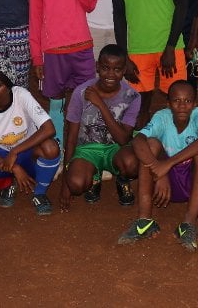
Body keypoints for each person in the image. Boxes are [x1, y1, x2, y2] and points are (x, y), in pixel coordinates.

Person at [118, 80, 198, 252]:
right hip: (165, 186)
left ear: (195, 103)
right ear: (168, 104)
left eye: (187, 101)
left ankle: (188, 224)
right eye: (176, 101)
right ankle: (144, 221)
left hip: (192, 183)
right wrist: (159, 171)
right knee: (151, 143)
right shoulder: (162, 116)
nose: (182, 106)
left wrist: (167, 164)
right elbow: (138, 140)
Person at [28, 0, 97, 149]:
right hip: (53, 50)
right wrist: (37, 58)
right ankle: (56, 147)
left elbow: (90, 3)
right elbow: (35, 17)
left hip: (82, 46)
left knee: (88, 99)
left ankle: (86, 147)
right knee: (56, 102)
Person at [0, 60, 62, 215]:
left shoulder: (21, 95)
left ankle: (39, 193)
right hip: (0, 156)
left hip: (27, 151)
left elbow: (49, 129)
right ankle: (7, 182)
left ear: (9, 86)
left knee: (51, 147)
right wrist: (14, 166)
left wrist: (15, 152)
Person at [59, 45, 141, 210]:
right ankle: (94, 176)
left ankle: (122, 179)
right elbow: (72, 137)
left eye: (117, 69)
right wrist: (65, 184)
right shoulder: (80, 92)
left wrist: (100, 104)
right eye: (105, 68)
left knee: (132, 164)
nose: (110, 74)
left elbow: (123, 139)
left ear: (124, 70)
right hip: (86, 150)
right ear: (97, 66)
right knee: (76, 184)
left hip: (116, 148)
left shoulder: (132, 97)